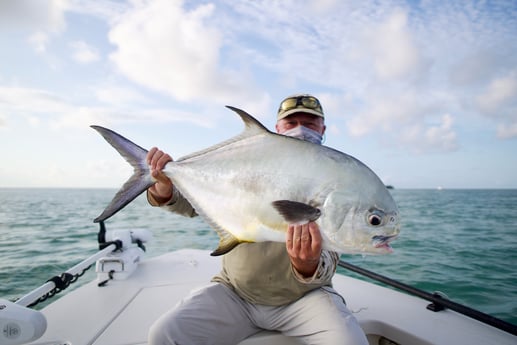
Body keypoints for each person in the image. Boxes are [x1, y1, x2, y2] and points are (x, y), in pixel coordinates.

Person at [146, 94, 368, 345]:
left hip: (305, 297)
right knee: (164, 335)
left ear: (323, 129)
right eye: (291, 122)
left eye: (310, 123)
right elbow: (193, 206)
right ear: (277, 128)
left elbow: (336, 243)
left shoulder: (338, 175)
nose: (301, 129)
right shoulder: (250, 163)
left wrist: (307, 266)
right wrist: (163, 189)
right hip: (234, 293)